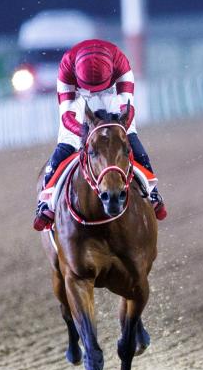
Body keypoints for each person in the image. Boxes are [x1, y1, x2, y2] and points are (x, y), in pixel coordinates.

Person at [33, 39, 166, 231]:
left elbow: (127, 108)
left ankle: (152, 192)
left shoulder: (121, 63)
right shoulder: (66, 67)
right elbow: (67, 115)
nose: (94, 91)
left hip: (112, 95)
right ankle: (46, 203)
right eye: (91, 86)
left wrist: (118, 130)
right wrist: (85, 133)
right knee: (64, 147)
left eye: (97, 86)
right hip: (79, 98)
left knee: (132, 143)